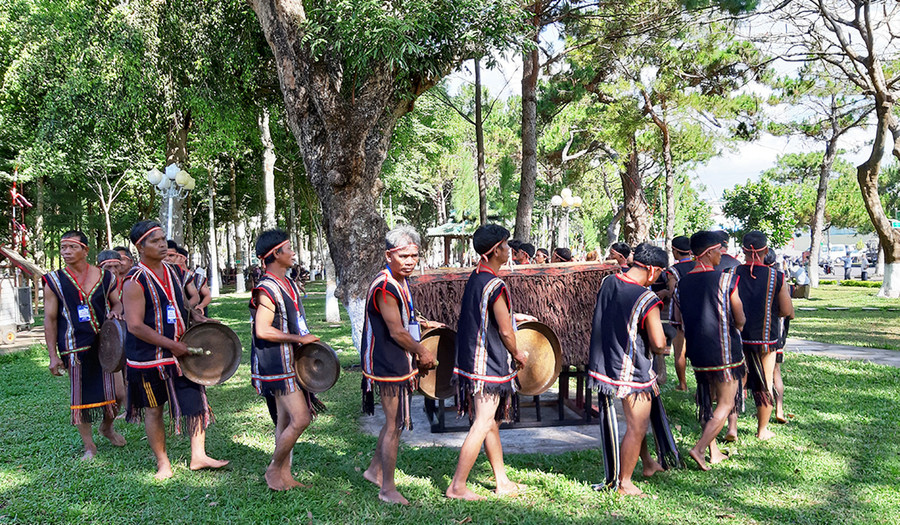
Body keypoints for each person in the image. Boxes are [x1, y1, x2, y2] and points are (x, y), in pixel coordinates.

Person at [122, 220, 228, 480]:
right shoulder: (134, 280)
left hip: (182, 353)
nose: (162, 244)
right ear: (140, 246)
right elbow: (135, 326)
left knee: (195, 402)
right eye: (155, 240)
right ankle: (163, 463)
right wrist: (173, 345)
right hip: (148, 358)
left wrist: (198, 318)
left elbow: (182, 306)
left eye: (163, 239)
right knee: (154, 409)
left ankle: (199, 457)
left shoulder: (175, 272)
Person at [446, 224, 531, 500]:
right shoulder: (495, 284)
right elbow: (505, 331)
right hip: (487, 362)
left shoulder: (477, 277)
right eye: (506, 246)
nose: (509, 250)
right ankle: (457, 486)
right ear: (495, 251)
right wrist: (519, 354)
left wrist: (516, 318)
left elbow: (491, 318)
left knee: (491, 421)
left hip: (472, 359)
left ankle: (501, 480)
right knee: (483, 422)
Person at [587, 243, 680, 496]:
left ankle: (648, 463)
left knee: (635, 421)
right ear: (651, 269)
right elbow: (659, 343)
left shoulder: (609, 282)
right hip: (631, 366)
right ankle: (624, 483)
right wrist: (666, 342)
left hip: (606, 361)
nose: (660, 277)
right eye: (660, 272)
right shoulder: (647, 297)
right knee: (637, 426)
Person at [360, 226, 438, 505]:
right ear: (388, 255)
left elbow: (403, 319)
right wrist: (422, 352)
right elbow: (396, 331)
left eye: (414, 256)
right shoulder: (385, 286)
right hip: (387, 361)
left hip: (396, 358)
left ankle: (374, 470)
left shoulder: (399, 280)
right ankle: (388, 489)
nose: (409, 261)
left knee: (394, 423)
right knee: (394, 425)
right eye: (403, 256)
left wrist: (425, 324)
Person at [249, 229, 324, 491]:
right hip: (276, 361)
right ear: (276, 254)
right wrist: (297, 339)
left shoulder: (288, 283)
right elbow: (262, 330)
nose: (293, 253)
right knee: (301, 419)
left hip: (292, 360)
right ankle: (273, 470)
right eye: (289, 248)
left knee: (284, 420)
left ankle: (284, 474)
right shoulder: (266, 288)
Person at [44, 231, 126, 460]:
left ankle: (107, 427)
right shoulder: (54, 280)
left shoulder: (105, 277)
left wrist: (115, 314)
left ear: (85, 250)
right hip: (74, 346)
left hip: (107, 345)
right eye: (63, 248)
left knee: (119, 394)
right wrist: (53, 355)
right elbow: (50, 319)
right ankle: (89, 446)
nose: (66, 252)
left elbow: (118, 304)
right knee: (81, 400)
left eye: (72, 247)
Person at [672, 231, 746, 471]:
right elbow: (740, 318)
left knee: (708, 401)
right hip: (724, 351)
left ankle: (714, 452)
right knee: (725, 403)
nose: (721, 255)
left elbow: (680, 319)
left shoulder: (682, 283)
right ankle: (700, 448)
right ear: (708, 252)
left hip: (698, 351)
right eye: (718, 251)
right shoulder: (725, 280)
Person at [732, 232, 795, 441]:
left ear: (743, 251)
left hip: (736, 337)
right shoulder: (777, 277)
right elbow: (786, 311)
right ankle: (762, 430)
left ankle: (732, 428)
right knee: (765, 383)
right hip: (765, 339)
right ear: (765, 251)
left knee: (735, 382)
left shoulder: (730, 273)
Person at [96, 249, 129, 410]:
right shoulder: (95, 284)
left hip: (123, 334)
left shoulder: (129, 281)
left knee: (125, 378)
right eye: (108, 267)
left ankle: (129, 409)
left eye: (116, 266)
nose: (114, 271)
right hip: (102, 338)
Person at [665, 235, 694, 391]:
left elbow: (671, 292)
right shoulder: (698, 265)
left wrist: (663, 292)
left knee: (679, 351)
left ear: (675, 251)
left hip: (679, 314)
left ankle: (682, 384)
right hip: (698, 313)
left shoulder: (673, 270)